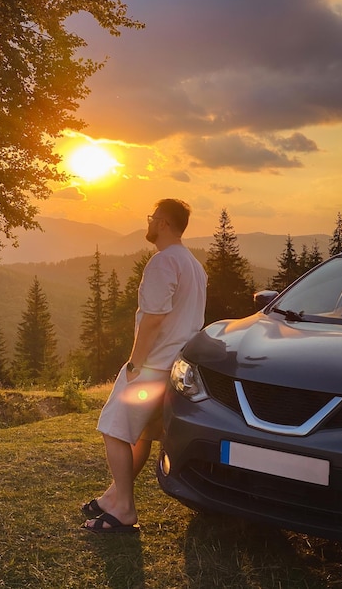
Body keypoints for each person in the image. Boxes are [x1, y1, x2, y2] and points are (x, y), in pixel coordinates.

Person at [81, 198, 207, 534]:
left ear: (163, 223)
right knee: (141, 435)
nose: (148, 223)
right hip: (177, 367)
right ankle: (113, 497)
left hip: (152, 365)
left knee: (113, 429)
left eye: (152, 218)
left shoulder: (163, 262)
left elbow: (153, 319)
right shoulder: (194, 265)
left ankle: (123, 509)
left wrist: (135, 363)